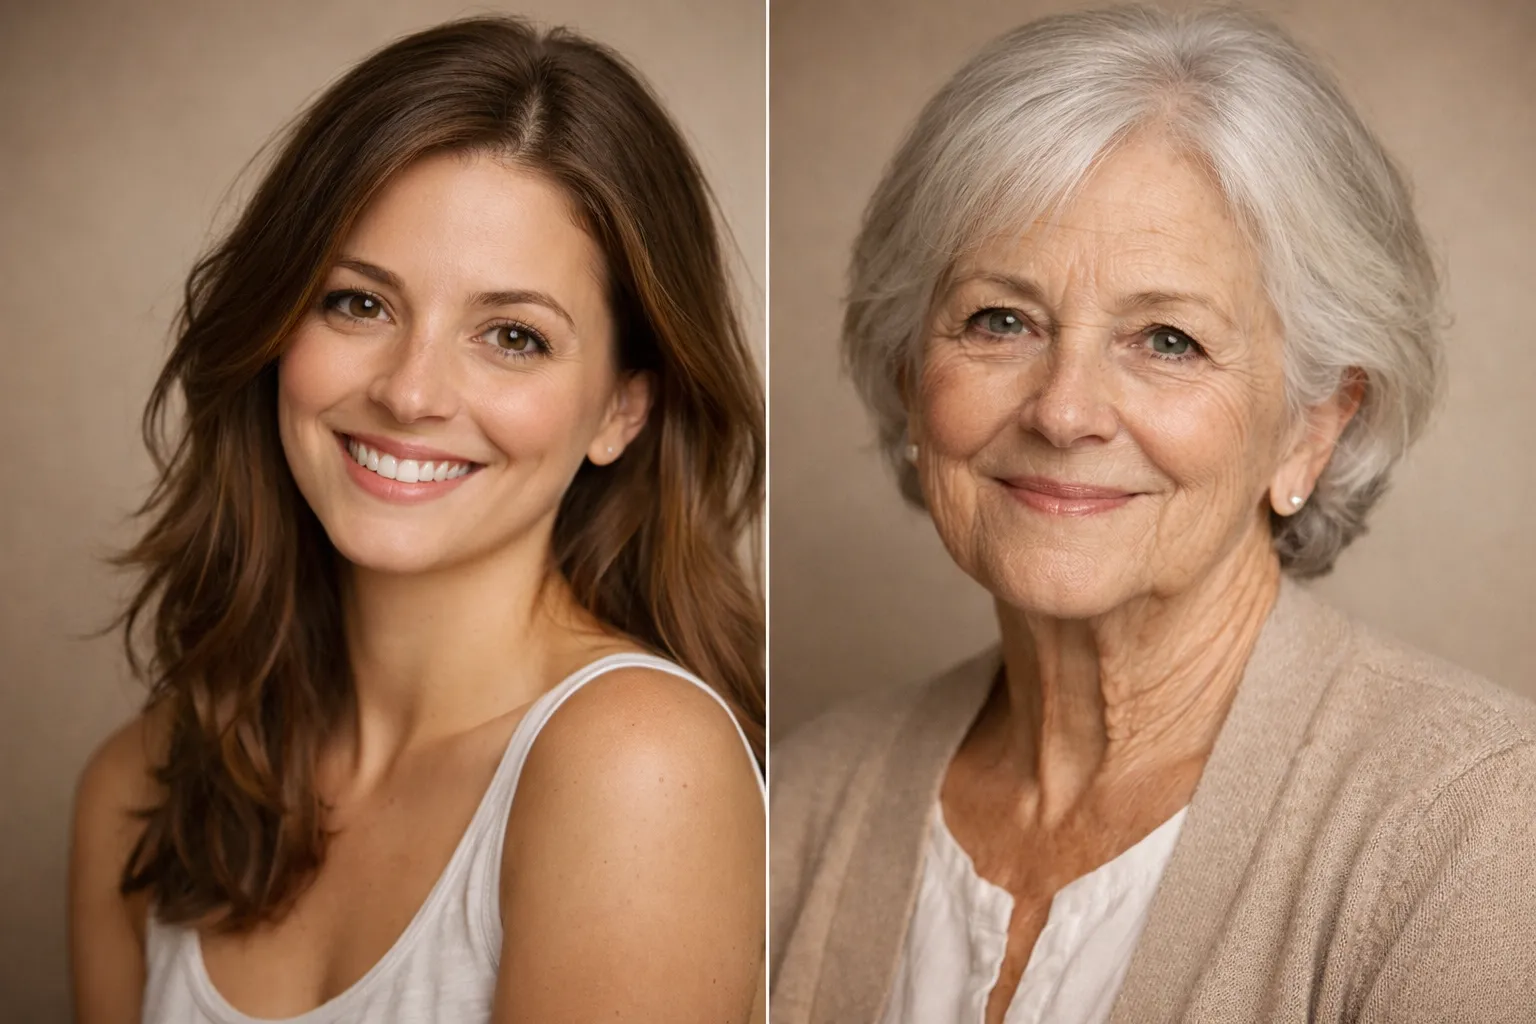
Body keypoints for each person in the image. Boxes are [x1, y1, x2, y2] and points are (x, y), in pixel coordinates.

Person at [770, 7, 1536, 1023]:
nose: (1065, 410)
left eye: (1168, 339)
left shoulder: (1478, 825)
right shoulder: (800, 798)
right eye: (1001, 320)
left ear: (1313, 428)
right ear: (912, 377)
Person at [68, 17, 766, 1023]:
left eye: (513, 336)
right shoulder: (139, 783)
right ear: (272, 328)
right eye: (358, 304)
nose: (410, 392)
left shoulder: (638, 767)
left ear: (623, 408)